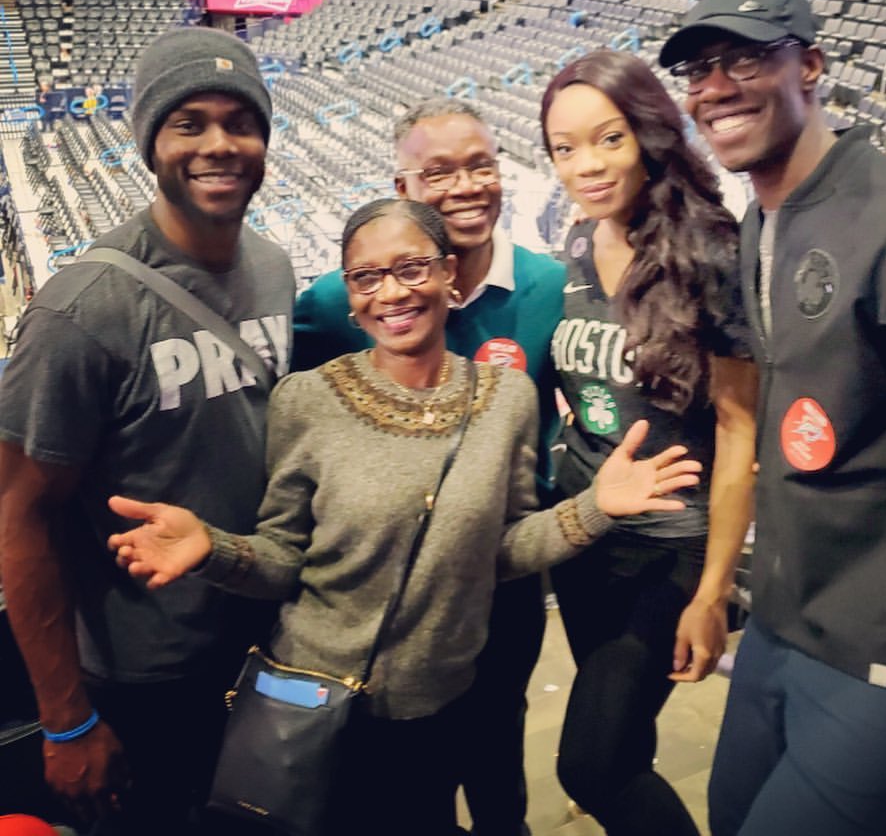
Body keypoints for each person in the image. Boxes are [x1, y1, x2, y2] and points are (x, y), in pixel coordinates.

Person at [105, 197, 704, 836]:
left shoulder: (507, 400)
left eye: (412, 268)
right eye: (367, 276)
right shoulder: (308, 400)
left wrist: (596, 508)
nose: (392, 292)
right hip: (315, 704)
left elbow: (499, 551)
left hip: (439, 709)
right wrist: (213, 549)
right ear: (348, 292)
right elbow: (284, 560)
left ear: (448, 273)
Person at [658, 0, 886, 836]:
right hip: (780, 628)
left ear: (810, 65)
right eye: (698, 70)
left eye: (743, 59)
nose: (715, 89)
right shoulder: (761, 228)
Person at [0, 26, 295, 836]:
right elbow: (20, 517)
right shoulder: (80, 310)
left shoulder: (273, 268)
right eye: (188, 122)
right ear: (148, 142)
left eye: (241, 121)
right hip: (145, 678)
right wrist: (64, 721)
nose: (220, 145)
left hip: (260, 643)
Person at [293, 97, 566, 836]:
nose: (466, 186)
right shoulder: (329, 304)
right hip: (401, 590)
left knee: (496, 748)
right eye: (438, 171)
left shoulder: (549, 287)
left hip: (505, 570)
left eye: (480, 164)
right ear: (403, 186)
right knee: (417, 773)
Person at [540, 49, 757, 836]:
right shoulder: (574, 247)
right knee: (625, 743)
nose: (584, 166)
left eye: (608, 139)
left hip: (670, 551)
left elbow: (740, 430)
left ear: (649, 137)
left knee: (591, 764)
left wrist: (712, 592)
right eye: (564, 148)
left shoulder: (710, 253)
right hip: (592, 535)